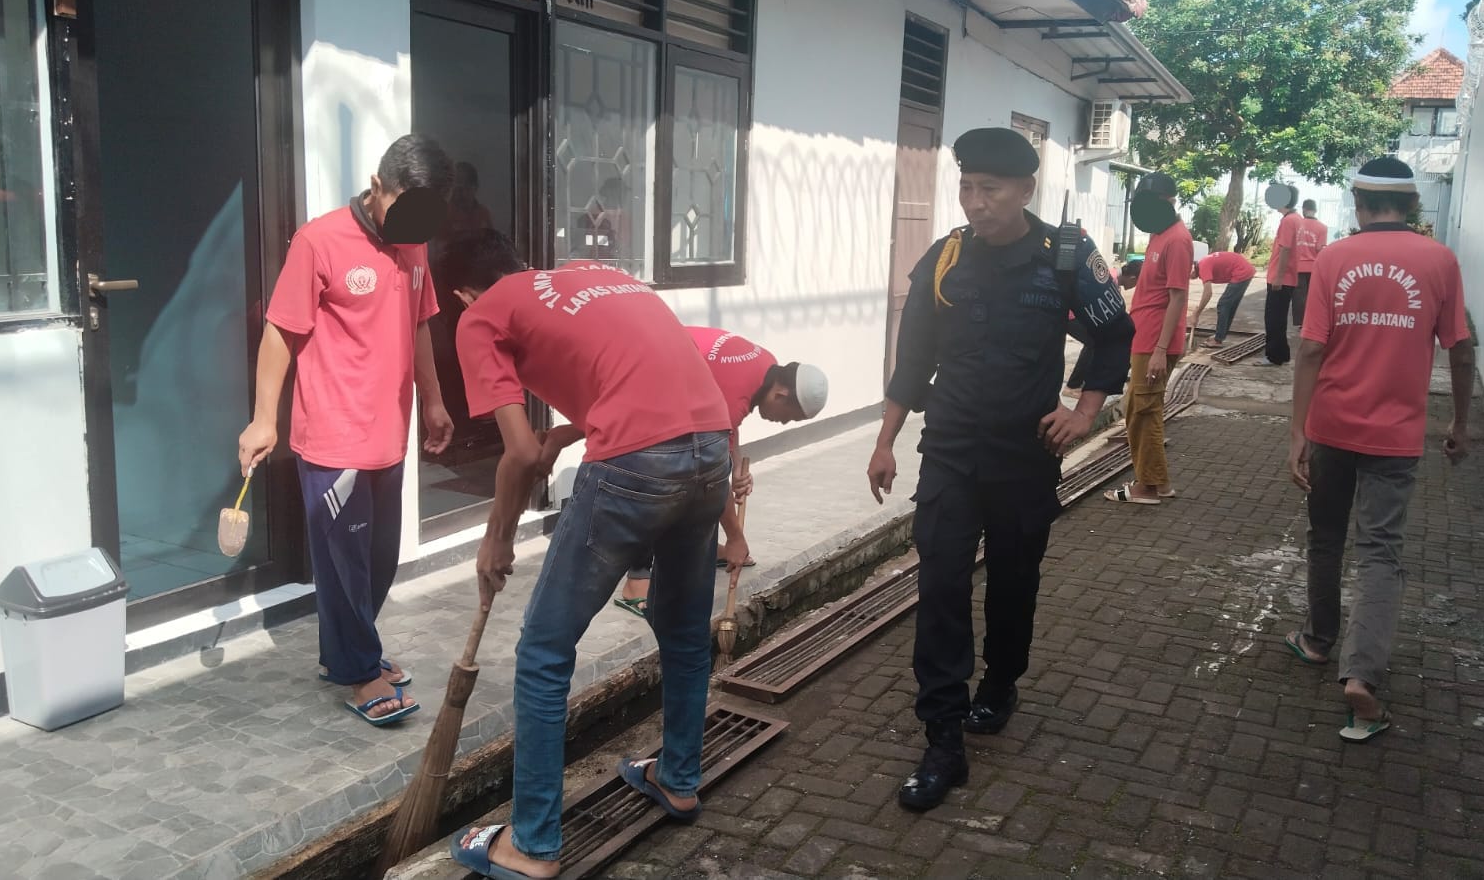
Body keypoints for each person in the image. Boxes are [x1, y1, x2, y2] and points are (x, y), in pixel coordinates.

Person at [444, 231, 732, 878]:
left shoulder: (481, 316)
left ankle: (533, 844)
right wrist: (571, 430)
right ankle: (679, 779)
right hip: (711, 446)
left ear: (463, 294)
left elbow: (517, 455)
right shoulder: (593, 273)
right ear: (522, 266)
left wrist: (496, 538)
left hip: (636, 463)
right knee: (684, 632)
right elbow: (642, 367)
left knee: (545, 651)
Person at [867, 127, 1133, 811]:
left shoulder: (1065, 257)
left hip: (1025, 458)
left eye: (989, 189)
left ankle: (1001, 684)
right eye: (966, 187)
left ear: (1024, 190)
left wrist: (1084, 410)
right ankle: (943, 738)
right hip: (950, 451)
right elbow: (914, 356)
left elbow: (1113, 333)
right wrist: (886, 439)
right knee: (943, 584)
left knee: (1015, 582)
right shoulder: (946, 258)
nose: (975, 202)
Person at [237, 134, 456, 726]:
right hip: (334, 436)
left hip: (390, 432)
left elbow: (420, 326)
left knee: (379, 558)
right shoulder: (319, 241)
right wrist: (263, 418)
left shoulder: (414, 247)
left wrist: (433, 400)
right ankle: (360, 671)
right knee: (343, 565)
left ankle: (347, 654)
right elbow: (281, 332)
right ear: (376, 185)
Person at [1284, 156, 1474, 743]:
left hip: (1331, 427)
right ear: (1413, 206)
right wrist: (1460, 422)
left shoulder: (1337, 257)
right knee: (1380, 552)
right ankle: (1361, 677)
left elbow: (1311, 350)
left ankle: (1318, 641)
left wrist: (1298, 432)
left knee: (1325, 537)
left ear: (1359, 204)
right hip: (1396, 436)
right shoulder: (1440, 261)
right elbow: (1461, 350)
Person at [613, 332, 830, 618]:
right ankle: (637, 581)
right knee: (659, 475)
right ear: (781, 394)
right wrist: (736, 537)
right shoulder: (738, 391)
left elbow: (727, 423)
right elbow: (713, 476)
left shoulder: (767, 367)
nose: (783, 422)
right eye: (789, 415)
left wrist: (736, 463)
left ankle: (707, 549)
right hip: (640, 374)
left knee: (697, 468)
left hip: (669, 374)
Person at [1104, 171, 1190, 506]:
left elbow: (1178, 298)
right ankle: (1158, 482)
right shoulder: (1159, 234)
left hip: (1156, 340)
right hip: (1144, 336)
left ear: (1168, 202)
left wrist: (1159, 351)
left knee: (1144, 412)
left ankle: (1148, 487)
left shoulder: (1178, 240)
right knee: (1141, 410)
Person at [1264, 186, 1302, 365]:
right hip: (1287, 277)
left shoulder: (1288, 221)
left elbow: (1286, 249)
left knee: (1274, 319)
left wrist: (1278, 277)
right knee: (1278, 318)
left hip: (1281, 279)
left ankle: (1275, 356)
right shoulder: (1296, 219)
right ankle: (1282, 354)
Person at [1192, 250, 1259, 348]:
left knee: (1223, 304)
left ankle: (1218, 340)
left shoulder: (1203, 266)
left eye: (1188, 275)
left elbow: (1208, 293)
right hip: (1245, 270)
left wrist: (1196, 313)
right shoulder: (1203, 263)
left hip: (1241, 271)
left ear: (1193, 268)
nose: (1189, 278)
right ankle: (1220, 336)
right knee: (1229, 306)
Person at [1292, 200, 1328, 327]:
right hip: (1314, 267)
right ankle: (1310, 321)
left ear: (1303, 209)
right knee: (1312, 295)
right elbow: (1319, 248)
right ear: (1315, 210)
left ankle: (1300, 322)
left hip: (1298, 266)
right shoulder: (1322, 227)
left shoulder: (1297, 224)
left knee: (1298, 295)